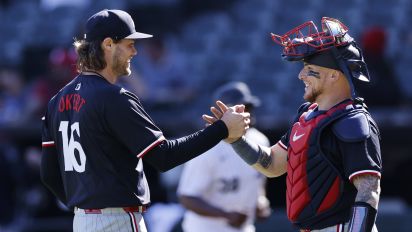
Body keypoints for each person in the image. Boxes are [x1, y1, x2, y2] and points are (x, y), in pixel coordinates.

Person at [40, 9, 250, 232]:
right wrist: (222, 129)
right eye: (130, 44)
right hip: (117, 220)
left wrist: (84, 207)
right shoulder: (114, 98)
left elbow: (49, 175)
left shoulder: (56, 101)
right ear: (108, 44)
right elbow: (164, 157)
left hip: (82, 222)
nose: (135, 52)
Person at [204, 17, 382, 232]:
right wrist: (236, 140)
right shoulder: (307, 117)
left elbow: (369, 189)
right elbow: (272, 164)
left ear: (334, 75)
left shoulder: (352, 121)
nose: (301, 75)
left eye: (309, 68)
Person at [177, 81, 271, 232]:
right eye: (240, 110)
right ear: (223, 115)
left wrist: (261, 201)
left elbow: (258, 182)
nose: (247, 114)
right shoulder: (205, 147)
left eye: (249, 108)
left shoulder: (260, 141)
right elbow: (187, 198)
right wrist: (226, 215)